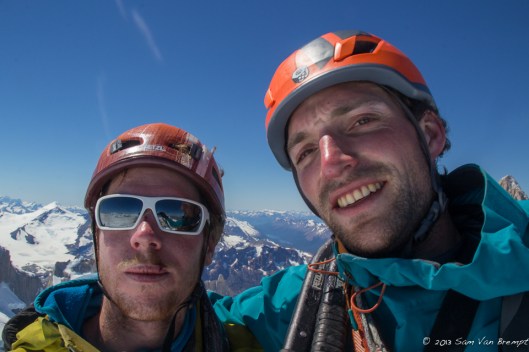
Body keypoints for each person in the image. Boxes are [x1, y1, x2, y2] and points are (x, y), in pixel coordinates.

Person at [210, 30, 529, 351]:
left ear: (431, 134)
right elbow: (181, 318)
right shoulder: (297, 299)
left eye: (362, 121)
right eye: (305, 152)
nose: (330, 164)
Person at [3, 123, 230, 351]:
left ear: (209, 243)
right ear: (96, 234)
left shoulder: (242, 335)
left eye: (177, 214)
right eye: (120, 210)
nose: (144, 235)